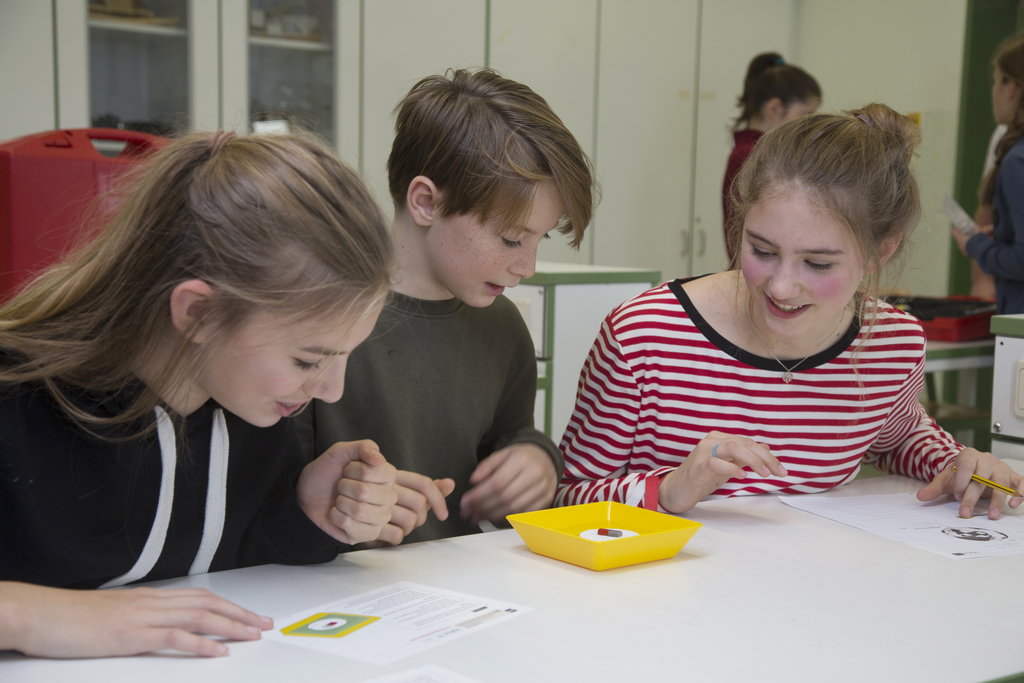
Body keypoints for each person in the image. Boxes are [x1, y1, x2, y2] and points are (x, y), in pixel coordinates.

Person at [0, 130, 399, 658]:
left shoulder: (246, 411)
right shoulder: (16, 400)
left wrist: (300, 515)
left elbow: (220, 564)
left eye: (347, 355)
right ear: (197, 314)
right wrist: (27, 615)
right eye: (308, 359)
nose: (331, 390)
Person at [558, 104, 1023, 519]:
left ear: (881, 250)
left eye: (818, 263)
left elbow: (898, 436)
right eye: (761, 250)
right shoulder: (646, 334)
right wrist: (669, 490)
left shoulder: (890, 343)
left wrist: (958, 462)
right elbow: (561, 496)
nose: (780, 286)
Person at [296, 69, 597, 544]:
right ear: (425, 202)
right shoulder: (316, 319)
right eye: (512, 239)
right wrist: (335, 500)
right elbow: (258, 497)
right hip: (322, 592)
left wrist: (536, 459)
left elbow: (507, 437)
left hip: (456, 591)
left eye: (538, 240)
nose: (529, 266)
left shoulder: (502, 326)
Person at [722, 52, 821, 264]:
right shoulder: (750, 156)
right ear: (774, 109)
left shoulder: (759, 153)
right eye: (805, 114)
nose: (808, 125)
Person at [957, 34, 1024, 312]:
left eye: (996, 81)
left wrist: (976, 246)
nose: (994, 91)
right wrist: (1004, 232)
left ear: (1011, 87)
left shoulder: (1017, 160)